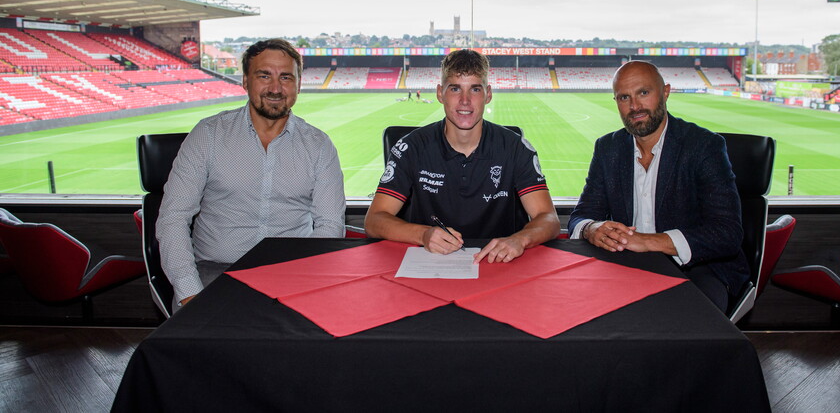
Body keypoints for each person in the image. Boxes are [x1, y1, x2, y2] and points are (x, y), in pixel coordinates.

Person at [157, 38, 345, 309]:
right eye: (264, 76)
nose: (276, 88)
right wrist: (189, 293)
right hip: (214, 271)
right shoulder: (208, 135)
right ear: (245, 81)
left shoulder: (319, 146)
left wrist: (302, 280)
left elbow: (330, 225)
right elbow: (173, 217)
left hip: (291, 273)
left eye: (286, 77)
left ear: (299, 85)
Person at [568, 61, 747, 311]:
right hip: (626, 266)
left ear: (665, 92)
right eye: (624, 97)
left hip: (698, 269)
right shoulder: (608, 148)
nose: (634, 106)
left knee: (678, 322)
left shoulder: (704, 145)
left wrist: (650, 242)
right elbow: (581, 216)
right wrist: (592, 228)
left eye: (643, 92)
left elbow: (727, 233)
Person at [365, 49, 559, 263]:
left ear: (488, 94)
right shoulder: (411, 147)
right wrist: (423, 234)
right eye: (455, 88)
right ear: (440, 93)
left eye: (475, 89)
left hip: (500, 263)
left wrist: (520, 239)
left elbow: (549, 218)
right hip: (430, 263)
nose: (465, 100)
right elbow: (374, 220)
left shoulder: (515, 147)